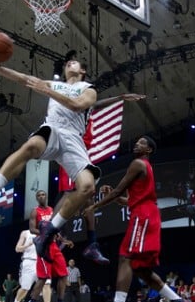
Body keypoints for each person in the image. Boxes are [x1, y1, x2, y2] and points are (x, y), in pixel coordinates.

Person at [0, 51, 101, 261]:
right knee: (31, 146)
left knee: (88, 187)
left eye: (74, 62)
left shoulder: (88, 89)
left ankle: (48, 233)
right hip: (54, 129)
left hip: (74, 139)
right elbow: (22, 78)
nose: (69, 64)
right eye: (67, 63)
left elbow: (77, 106)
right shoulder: (52, 83)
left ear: (82, 70)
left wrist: (49, 92)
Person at [84, 136, 191, 302]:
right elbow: (127, 199)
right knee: (142, 270)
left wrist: (95, 206)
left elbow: (118, 191)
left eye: (142, 143)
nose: (136, 144)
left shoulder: (138, 164)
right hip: (147, 214)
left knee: (125, 257)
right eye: (137, 141)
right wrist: (113, 197)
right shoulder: (145, 167)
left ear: (148, 150)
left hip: (143, 216)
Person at [54, 93, 147, 265]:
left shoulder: (86, 110)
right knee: (70, 194)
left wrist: (121, 97)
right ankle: (48, 234)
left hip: (82, 157)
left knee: (88, 199)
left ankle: (92, 245)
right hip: (70, 154)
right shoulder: (69, 112)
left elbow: (96, 104)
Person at [8, 229, 38, 302]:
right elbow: (17, 249)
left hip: (41, 262)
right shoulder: (25, 233)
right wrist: (28, 245)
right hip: (28, 261)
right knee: (25, 288)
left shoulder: (44, 233)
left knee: (45, 285)